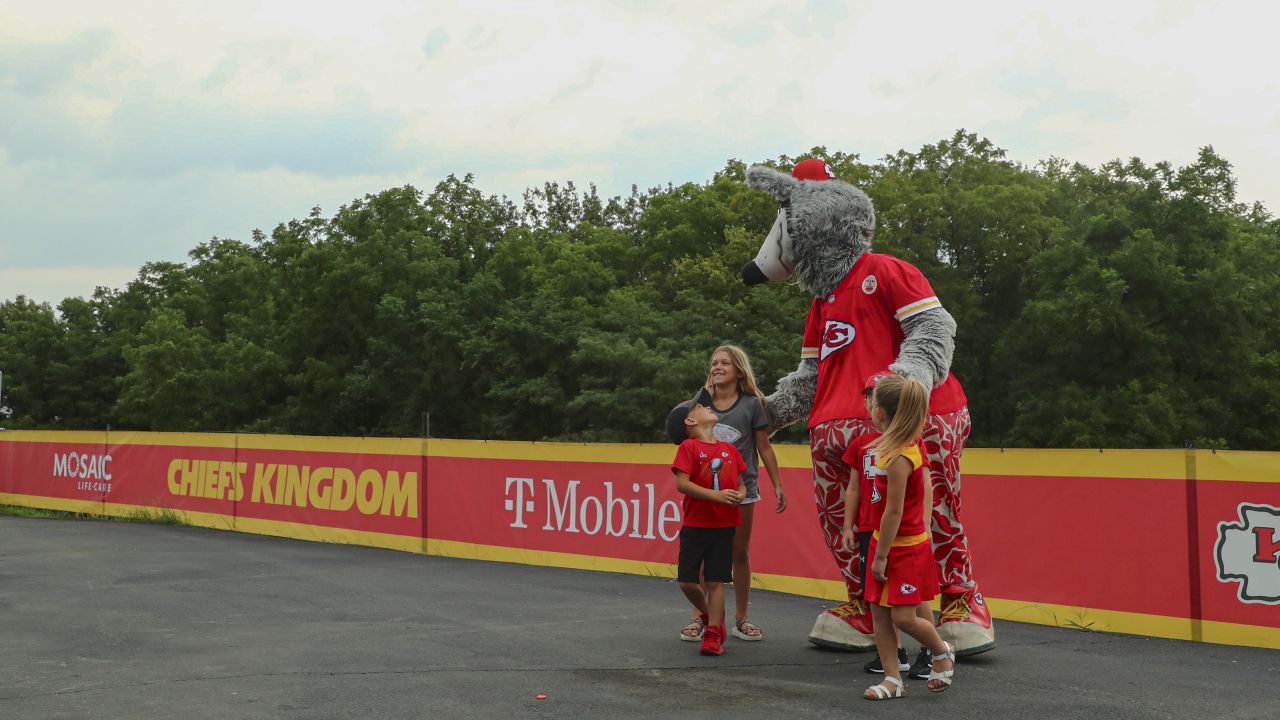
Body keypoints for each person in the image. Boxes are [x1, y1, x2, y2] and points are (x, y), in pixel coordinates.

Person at [679, 345, 787, 643]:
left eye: (725, 363)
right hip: (704, 493)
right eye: (714, 362)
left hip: (742, 492)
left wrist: (777, 483)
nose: (717, 367)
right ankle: (699, 617)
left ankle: (741, 618)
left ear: (739, 371)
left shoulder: (752, 404)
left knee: (738, 552)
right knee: (702, 557)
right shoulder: (701, 405)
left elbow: (763, 446)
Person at [858, 373, 955, 700]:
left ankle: (942, 652)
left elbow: (894, 512)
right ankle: (891, 679)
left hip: (903, 549)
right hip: (882, 543)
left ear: (881, 413)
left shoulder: (901, 456)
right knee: (880, 614)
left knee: (903, 615)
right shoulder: (892, 448)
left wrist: (882, 554)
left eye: (872, 402)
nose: (869, 406)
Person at [840, 371, 936, 679]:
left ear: (882, 408)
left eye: (873, 395)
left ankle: (932, 652)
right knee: (879, 600)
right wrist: (848, 525)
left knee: (912, 599)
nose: (868, 400)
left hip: (903, 537)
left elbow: (921, 488)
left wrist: (925, 522)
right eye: (866, 393)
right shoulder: (863, 443)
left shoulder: (907, 447)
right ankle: (894, 660)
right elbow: (853, 487)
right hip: (874, 529)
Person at [665, 392, 747, 656]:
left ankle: (713, 633)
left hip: (724, 526)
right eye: (699, 406)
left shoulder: (730, 450)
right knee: (687, 581)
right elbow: (682, 483)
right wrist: (717, 496)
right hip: (696, 524)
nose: (705, 406)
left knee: (716, 581)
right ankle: (707, 614)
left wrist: (740, 495)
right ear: (689, 420)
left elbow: (741, 484)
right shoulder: (688, 448)